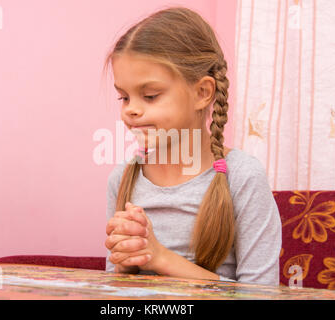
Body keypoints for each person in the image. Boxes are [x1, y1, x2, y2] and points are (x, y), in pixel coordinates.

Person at [103, 6, 282, 286]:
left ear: (202, 93)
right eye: (124, 98)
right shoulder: (123, 178)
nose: (131, 110)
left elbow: (261, 294)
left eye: (150, 96)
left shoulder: (243, 177)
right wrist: (127, 263)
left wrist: (160, 257)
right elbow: (114, 288)